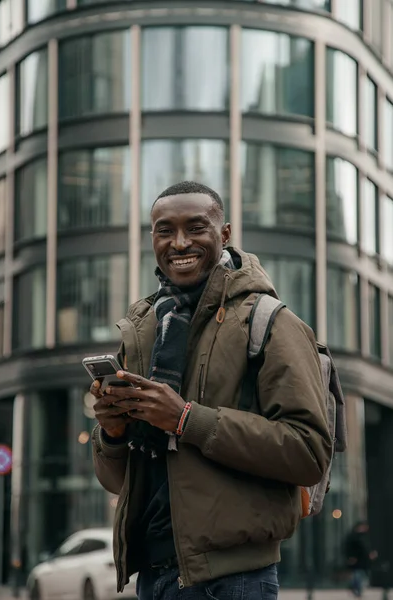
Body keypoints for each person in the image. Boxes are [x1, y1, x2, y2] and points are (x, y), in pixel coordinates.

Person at [91, 181, 332, 600]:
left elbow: (309, 453)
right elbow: (117, 482)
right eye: (165, 230)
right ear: (152, 238)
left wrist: (187, 420)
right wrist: (112, 433)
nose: (179, 242)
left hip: (234, 580)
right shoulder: (144, 329)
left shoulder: (270, 322)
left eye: (195, 228)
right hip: (153, 576)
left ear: (224, 235)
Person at [345, 521, 378, 597]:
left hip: (363, 561)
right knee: (358, 576)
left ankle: (356, 589)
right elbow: (349, 549)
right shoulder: (353, 537)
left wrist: (370, 554)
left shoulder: (364, 537)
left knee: (361, 576)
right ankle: (355, 589)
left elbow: (366, 548)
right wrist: (351, 557)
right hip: (357, 560)